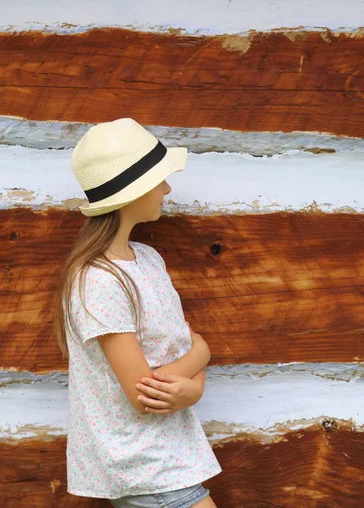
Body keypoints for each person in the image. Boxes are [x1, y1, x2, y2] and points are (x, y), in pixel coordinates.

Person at [54, 117, 222, 508]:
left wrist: (193, 385)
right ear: (133, 192)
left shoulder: (147, 259)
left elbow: (173, 351)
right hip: (147, 469)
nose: (167, 188)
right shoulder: (98, 280)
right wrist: (203, 354)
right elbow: (143, 394)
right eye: (159, 179)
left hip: (170, 461)